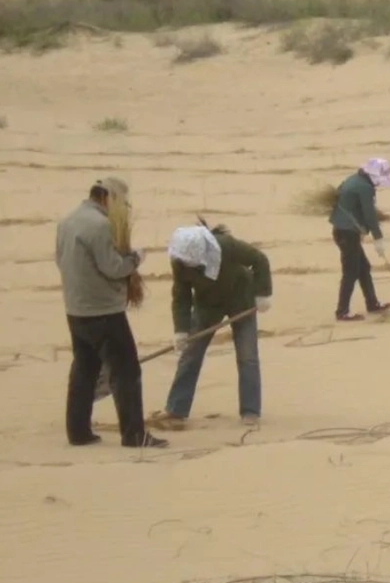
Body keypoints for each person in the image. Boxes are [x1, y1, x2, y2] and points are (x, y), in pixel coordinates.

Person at [54, 177, 167, 448]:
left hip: (75, 309)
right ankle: (134, 435)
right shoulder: (100, 225)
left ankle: (78, 432)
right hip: (104, 311)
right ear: (110, 199)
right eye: (122, 204)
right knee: (126, 371)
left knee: (84, 369)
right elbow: (114, 267)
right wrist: (136, 258)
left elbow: (59, 260)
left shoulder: (68, 221)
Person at [152, 224, 273, 430]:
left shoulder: (226, 246)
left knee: (247, 356)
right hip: (207, 305)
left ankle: (250, 410)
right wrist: (180, 330)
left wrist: (262, 293)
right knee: (191, 354)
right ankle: (177, 408)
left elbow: (259, 260)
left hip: (240, 299)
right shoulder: (179, 262)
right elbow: (181, 297)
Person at [330, 159, 390, 321]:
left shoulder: (353, 179)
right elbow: (369, 214)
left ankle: (372, 303)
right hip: (347, 234)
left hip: (342, 230)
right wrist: (378, 238)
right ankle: (342, 311)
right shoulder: (364, 188)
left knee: (363, 268)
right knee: (350, 272)